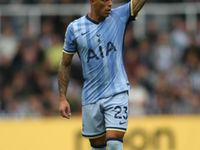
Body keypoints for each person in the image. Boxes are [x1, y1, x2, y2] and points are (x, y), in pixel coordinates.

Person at [58, 0, 147, 150]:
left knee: (113, 143)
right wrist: (62, 98)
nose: (110, 3)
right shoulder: (75, 28)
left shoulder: (119, 16)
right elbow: (65, 64)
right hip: (91, 97)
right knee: (97, 147)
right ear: (92, 1)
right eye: (105, 0)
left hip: (117, 91)